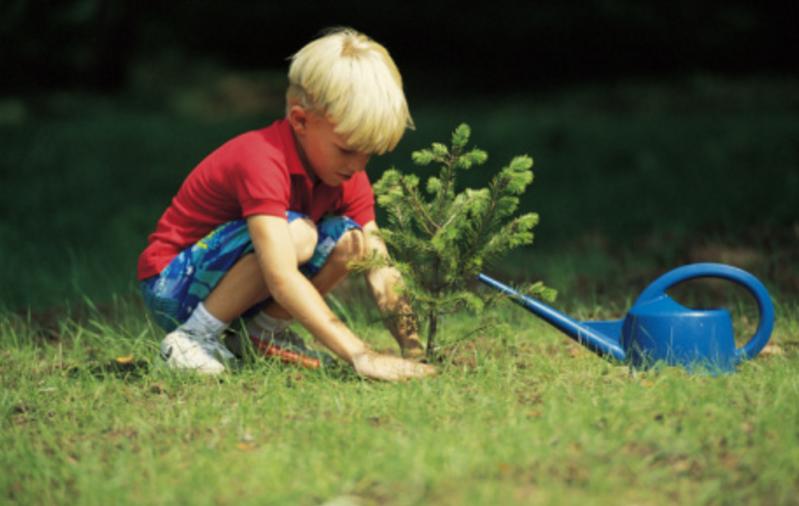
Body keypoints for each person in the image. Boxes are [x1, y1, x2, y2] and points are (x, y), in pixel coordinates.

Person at [137, 28, 436, 381]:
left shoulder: (346, 175)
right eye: (347, 149)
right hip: (173, 285)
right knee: (298, 235)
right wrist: (361, 355)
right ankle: (190, 339)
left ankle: (261, 335)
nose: (358, 166)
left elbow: (379, 266)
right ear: (300, 120)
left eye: (368, 153)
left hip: (229, 286)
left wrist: (413, 351)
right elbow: (279, 275)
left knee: (354, 241)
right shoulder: (261, 159)